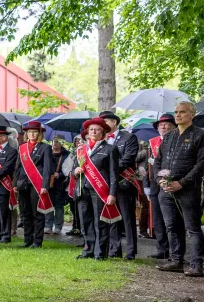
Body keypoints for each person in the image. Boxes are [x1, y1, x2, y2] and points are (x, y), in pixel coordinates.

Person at [155, 101, 204, 276]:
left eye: (182, 112)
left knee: (192, 228)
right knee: (172, 226)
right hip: (166, 190)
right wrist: (160, 179)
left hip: (188, 189)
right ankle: (175, 260)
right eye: (176, 112)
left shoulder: (199, 135)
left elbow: (201, 164)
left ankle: (197, 264)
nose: (177, 115)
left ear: (192, 114)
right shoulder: (169, 136)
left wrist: (182, 182)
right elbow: (158, 161)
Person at [72, 117, 120, 260]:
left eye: (97, 129)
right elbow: (74, 169)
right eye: (91, 129)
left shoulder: (110, 149)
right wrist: (75, 171)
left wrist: (112, 193)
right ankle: (88, 250)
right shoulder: (81, 149)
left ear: (103, 132)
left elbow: (113, 174)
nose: (93, 131)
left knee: (100, 223)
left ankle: (100, 253)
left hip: (100, 190)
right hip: (83, 188)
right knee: (85, 221)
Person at [100, 110, 141, 259]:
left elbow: (128, 159)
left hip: (123, 182)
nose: (103, 125)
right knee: (111, 216)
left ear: (114, 122)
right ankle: (114, 249)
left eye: (106, 121)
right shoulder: (100, 139)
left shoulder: (129, 137)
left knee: (127, 218)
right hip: (106, 184)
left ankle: (130, 251)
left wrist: (110, 171)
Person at [15, 121, 53, 248]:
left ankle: (37, 241)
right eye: (29, 132)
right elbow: (18, 167)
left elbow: (47, 168)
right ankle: (27, 240)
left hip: (37, 184)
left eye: (35, 132)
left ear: (39, 133)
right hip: (23, 184)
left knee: (37, 214)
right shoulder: (22, 148)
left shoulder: (45, 148)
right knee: (25, 213)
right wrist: (15, 183)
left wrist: (45, 185)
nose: (32, 134)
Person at [146, 113, 177, 260]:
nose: (163, 127)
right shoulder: (152, 143)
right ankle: (162, 249)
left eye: (167, 124)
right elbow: (147, 167)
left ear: (173, 126)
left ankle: (174, 252)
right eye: (161, 125)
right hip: (155, 185)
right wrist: (146, 185)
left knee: (171, 220)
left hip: (173, 184)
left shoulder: (177, 141)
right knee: (158, 219)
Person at [46, 140, 70, 235]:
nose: (55, 144)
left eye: (57, 142)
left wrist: (60, 175)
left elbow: (69, 168)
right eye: (53, 142)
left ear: (61, 143)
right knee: (48, 204)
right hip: (48, 183)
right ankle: (48, 226)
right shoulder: (48, 153)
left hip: (60, 184)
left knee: (59, 206)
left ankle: (58, 227)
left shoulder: (66, 155)